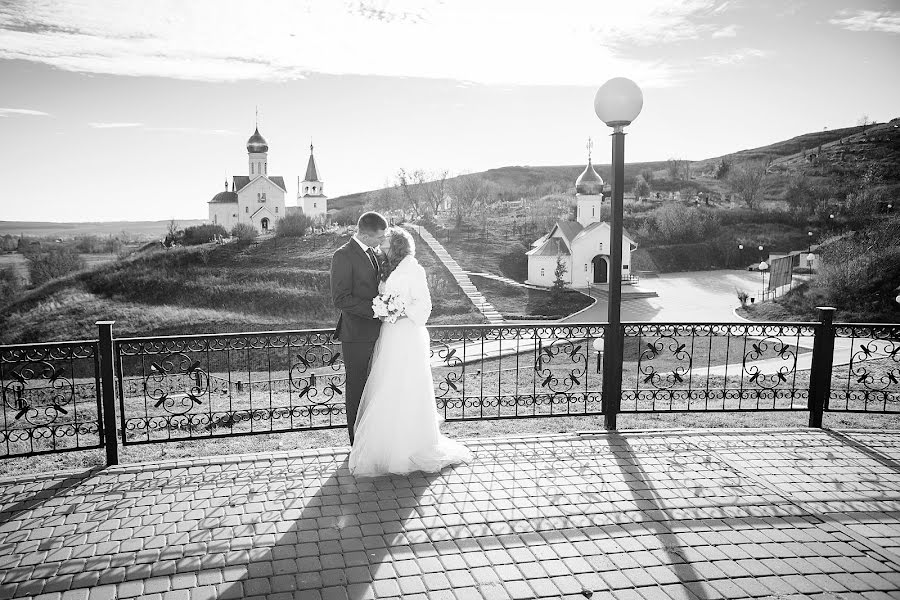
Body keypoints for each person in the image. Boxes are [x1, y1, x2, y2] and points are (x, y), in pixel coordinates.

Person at [349, 227, 472, 477]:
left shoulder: (413, 269)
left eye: (385, 242)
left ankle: (410, 447)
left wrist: (399, 312)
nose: (381, 246)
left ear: (397, 245)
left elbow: (425, 306)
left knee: (407, 385)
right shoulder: (390, 268)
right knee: (388, 385)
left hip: (407, 334)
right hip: (390, 335)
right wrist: (386, 309)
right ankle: (387, 446)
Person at [330, 212, 387, 445]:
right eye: (378, 237)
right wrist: (376, 309)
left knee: (374, 386)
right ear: (364, 234)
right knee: (357, 388)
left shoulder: (375, 253)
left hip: (378, 333)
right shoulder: (343, 255)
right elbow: (341, 298)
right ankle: (357, 441)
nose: (381, 241)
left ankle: (373, 436)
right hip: (355, 335)